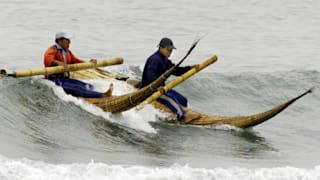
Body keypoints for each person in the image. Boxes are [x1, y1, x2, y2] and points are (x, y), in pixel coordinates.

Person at [140, 37, 201, 123]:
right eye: (168, 50)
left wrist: (190, 68)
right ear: (161, 48)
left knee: (183, 100)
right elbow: (150, 75)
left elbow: (176, 71)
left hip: (161, 88)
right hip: (151, 90)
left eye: (171, 50)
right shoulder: (154, 59)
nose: (170, 52)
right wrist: (157, 88)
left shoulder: (165, 60)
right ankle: (183, 116)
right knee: (170, 99)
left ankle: (181, 110)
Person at [44, 31, 113, 98]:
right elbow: (48, 59)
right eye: (67, 40)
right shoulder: (52, 50)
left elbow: (76, 61)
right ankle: (103, 95)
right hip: (54, 80)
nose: (69, 42)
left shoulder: (67, 52)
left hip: (64, 79)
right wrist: (58, 62)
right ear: (60, 41)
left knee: (88, 86)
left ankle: (92, 95)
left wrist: (89, 63)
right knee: (76, 88)